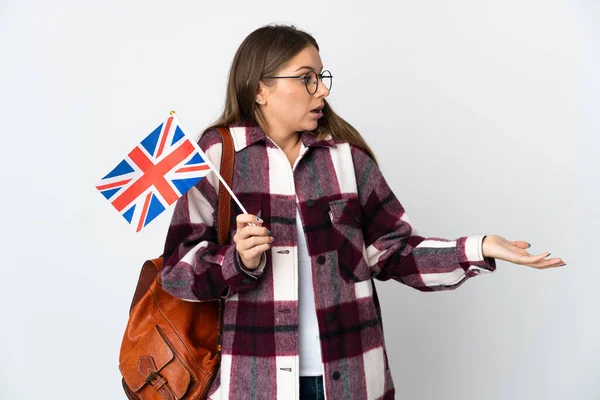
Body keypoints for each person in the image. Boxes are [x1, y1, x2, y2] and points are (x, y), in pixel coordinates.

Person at [161, 24, 566, 400]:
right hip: (254, 385)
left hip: (354, 381)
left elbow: (392, 252)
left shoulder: (346, 158)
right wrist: (238, 261)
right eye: (306, 78)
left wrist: (478, 249)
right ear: (260, 89)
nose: (321, 90)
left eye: (321, 77)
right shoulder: (216, 157)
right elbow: (177, 271)